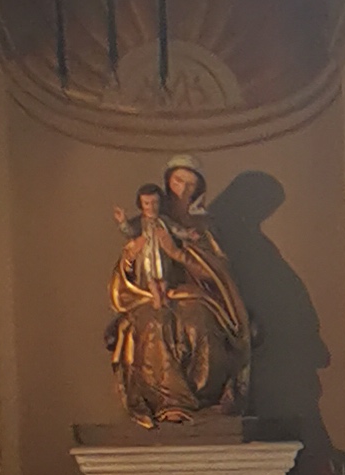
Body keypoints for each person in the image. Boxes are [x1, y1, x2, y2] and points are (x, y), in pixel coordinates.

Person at [105, 161, 254, 423]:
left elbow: (218, 275)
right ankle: (170, 403)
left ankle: (203, 399)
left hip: (197, 296)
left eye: (190, 184)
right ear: (166, 184)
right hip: (148, 295)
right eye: (177, 181)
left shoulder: (202, 226)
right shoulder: (143, 223)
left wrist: (177, 254)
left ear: (198, 191)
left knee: (199, 324)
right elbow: (127, 267)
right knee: (153, 323)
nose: (182, 190)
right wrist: (132, 254)